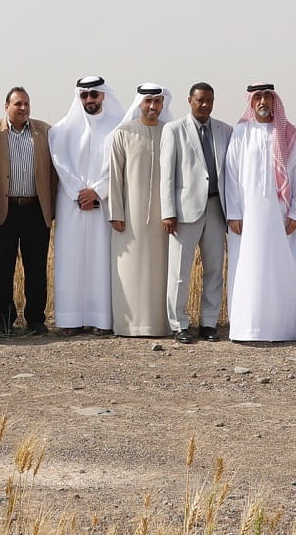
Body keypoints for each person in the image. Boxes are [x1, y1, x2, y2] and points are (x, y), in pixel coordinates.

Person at [223, 83, 296, 343]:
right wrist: (234, 212)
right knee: (246, 267)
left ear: (274, 101)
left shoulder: (287, 134)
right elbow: (231, 174)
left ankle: (280, 328)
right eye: (257, 97)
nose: (262, 101)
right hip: (247, 216)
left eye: (267, 97)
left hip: (279, 216)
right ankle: (246, 327)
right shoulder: (241, 132)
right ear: (251, 101)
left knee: (281, 267)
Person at [49, 76, 125, 335]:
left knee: (100, 261)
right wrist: (79, 193)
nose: (90, 100)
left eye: (94, 94)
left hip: (102, 205)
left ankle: (99, 320)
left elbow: (117, 166)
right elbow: (60, 163)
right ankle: (70, 320)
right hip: (71, 205)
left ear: (104, 95)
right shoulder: (61, 130)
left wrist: (97, 191)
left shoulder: (118, 128)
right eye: (85, 95)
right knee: (70, 260)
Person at [159, 82, 230, 344]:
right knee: (179, 271)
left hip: (216, 209)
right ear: (190, 101)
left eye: (209, 101)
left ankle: (209, 324)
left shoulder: (225, 130)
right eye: (200, 100)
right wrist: (168, 212)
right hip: (184, 212)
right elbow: (166, 175)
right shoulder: (174, 130)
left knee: (214, 270)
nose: (204, 105)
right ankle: (179, 325)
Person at [0, 87, 57, 335]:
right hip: (4, 210)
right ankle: (4, 321)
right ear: (7, 106)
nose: (24, 108)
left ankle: (36, 319)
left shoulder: (44, 131)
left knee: (36, 267)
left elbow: (53, 173)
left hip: (35, 210)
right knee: (3, 268)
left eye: (27, 103)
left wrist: (52, 207)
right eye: (18, 104)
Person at [104, 83, 172, 337]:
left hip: (164, 220)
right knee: (130, 271)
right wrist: (116, 214)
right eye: (148, 102)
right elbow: (115, 178)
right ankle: (128, 326)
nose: (152, 107)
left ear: (163, 105)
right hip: (129, 219)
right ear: (140, 104)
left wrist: (171, 213)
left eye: (157, 102)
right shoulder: (123, 133)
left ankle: (159, 325)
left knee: (159, 272)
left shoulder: (170, 133)